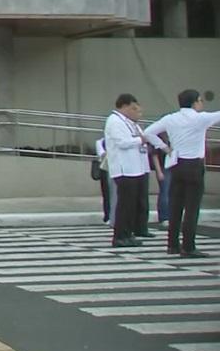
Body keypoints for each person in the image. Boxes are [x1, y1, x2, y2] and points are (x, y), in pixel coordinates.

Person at [143, 89, 220, 258]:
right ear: (195, 102)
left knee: (175, 205)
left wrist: (164, 147)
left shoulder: (170, 118)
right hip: (194, 165)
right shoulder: (201, 118)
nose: (201, 103)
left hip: (176, 163)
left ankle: (172, 244)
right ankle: (188, 246)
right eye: (200, 100)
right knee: (192, 207)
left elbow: (148, 132)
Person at [104, 94, 167, 248]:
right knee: (125, 204)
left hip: (135, 168)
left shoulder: (130, 123)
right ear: (124, 106)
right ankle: (120, 236)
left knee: (132, 204)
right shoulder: (115, 121)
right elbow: (122, 142)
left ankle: (129, 233)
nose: (135, 112)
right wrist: (141, 140)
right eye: (133, 108)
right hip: (124, 168)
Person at [94, 138, 111, 224]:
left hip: (118, 169)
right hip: (105, 169)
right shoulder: (100, 142)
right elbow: (102, 154)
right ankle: (108, 216)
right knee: (107, 194)